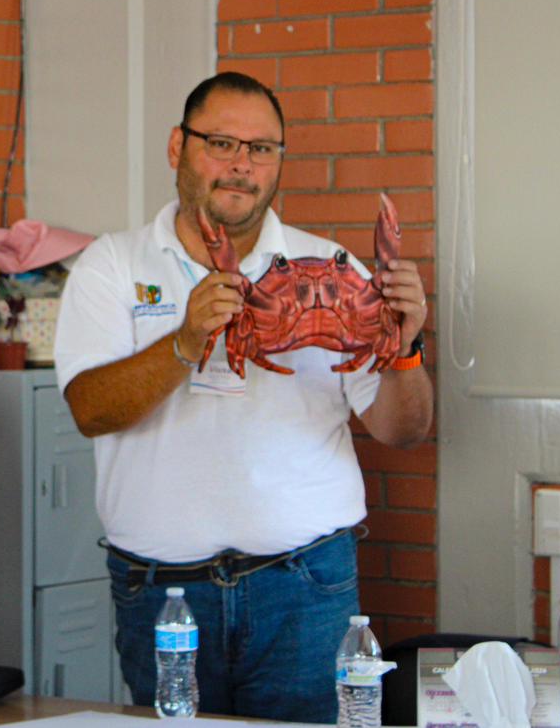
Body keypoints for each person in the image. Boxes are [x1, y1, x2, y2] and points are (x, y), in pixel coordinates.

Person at [53, 71, 433, 723]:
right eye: (222, 143)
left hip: (306, 588)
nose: (242, 165)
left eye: (261, 149)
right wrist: (184, 340)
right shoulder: (112, 265)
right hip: (164, 596)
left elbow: (403, 429)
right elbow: (91, 410)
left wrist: (404, 346)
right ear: (178, 146)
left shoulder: (335, 270)